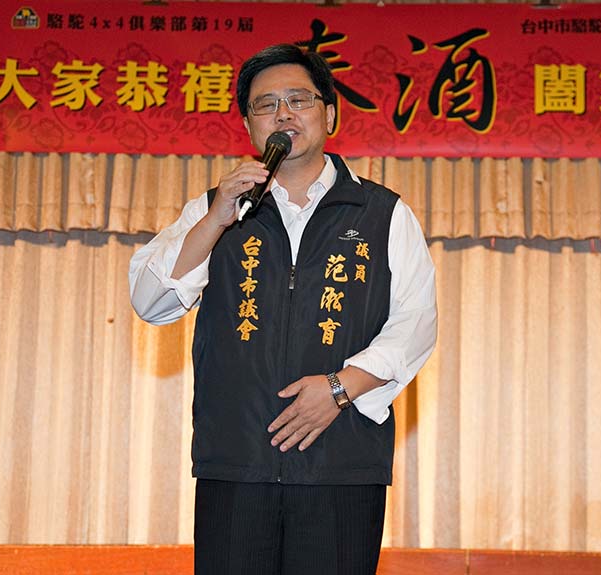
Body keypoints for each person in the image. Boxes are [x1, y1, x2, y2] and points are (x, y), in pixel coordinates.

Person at [129, 43, 437, 574]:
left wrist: (340, 388)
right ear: (250, 126)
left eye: (299, 100)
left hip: (341, 464)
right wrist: (216, 218)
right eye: (266, 105)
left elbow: (416, 323)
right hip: (237, 465)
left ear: (330, 114)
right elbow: (151, 301)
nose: (283, 114)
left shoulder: (383, 212)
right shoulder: (215, 208)